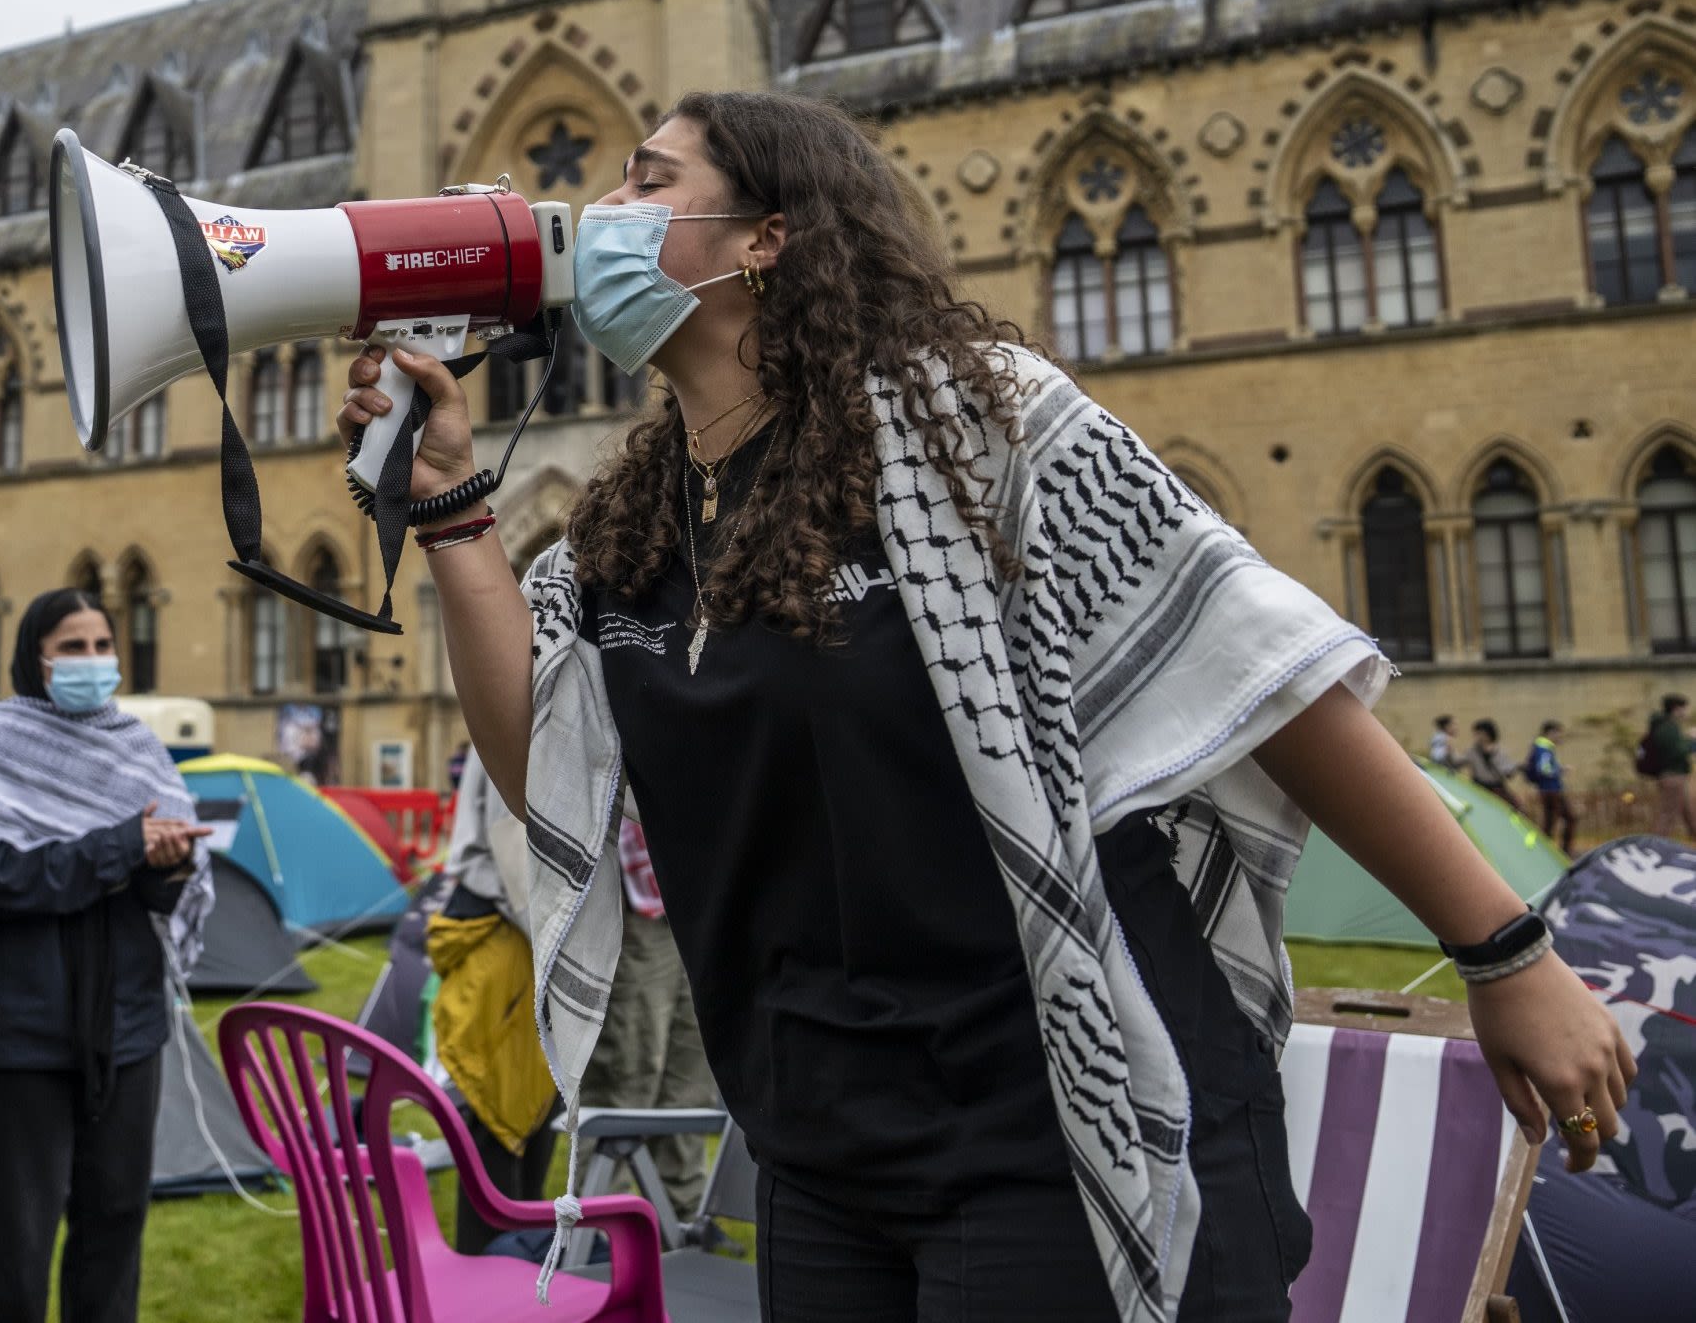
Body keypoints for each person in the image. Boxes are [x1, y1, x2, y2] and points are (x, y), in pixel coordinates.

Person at [342, 89, 1632, 1323]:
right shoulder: (633, 524)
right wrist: (453, 501)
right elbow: (545, 771)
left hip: (1053, 1127)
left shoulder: (979, 434)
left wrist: (1504, 955)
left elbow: (1258, 671)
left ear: (765, 239)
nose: (599, 211)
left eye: (647, 179)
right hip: (819, 1150)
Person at [0, 587, 214, 1323]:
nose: (93, 660)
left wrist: (169, 862)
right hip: (20, 1032)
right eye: (72, 647)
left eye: (103, 645)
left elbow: (150, 895)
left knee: (114, 1227)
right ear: (35, 656)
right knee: (7, 1246)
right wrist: (123, 843)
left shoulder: (138, 747)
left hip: (127, 1028)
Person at [429, 754, 560, 1256]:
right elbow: (513, 849)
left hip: (518, 939)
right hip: (508, 935)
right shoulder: (523, 714)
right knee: (498, 1128)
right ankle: (493, 1282)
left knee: (526, 1124)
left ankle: (520, 1270)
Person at [579, 815, 717, 1224]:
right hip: (628, 900)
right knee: (626, 1073)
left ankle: (683, 1220)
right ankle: (603, 1230)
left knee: (691, 1076)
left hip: (701, 897)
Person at [1644, 694, 1693, 838]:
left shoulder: (1665, 726)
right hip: (1673, 776)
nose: (1686, 712)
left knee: (1689, 812)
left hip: (1675, 776)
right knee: (1668, 813)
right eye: (1685, 708)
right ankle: (1655, 845)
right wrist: (1692, 742)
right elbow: (1677, 751)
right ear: (1676, 709)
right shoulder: (1668, 727)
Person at [1525, 722, 1574, 855]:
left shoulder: (1541, 747)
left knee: (1551, 822)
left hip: (1548, 790)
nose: (1559, 737)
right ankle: (1560, 852)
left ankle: (1546, 851)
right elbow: (1544, 769)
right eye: (1558, 733)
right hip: (1551, 790)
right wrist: (1560, 770)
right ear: (1550, 733)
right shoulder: (1544, 748)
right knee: (1562, 819)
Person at [1465, 718, 1520, 807]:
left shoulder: (1499, 751)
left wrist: (1492, 755)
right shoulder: (1473, 751)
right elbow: (1459, 761)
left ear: (1487, 734)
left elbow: (1508, 772)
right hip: (1479, 788)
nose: (1476, 736)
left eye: (1479, 733)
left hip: (1496, 788)